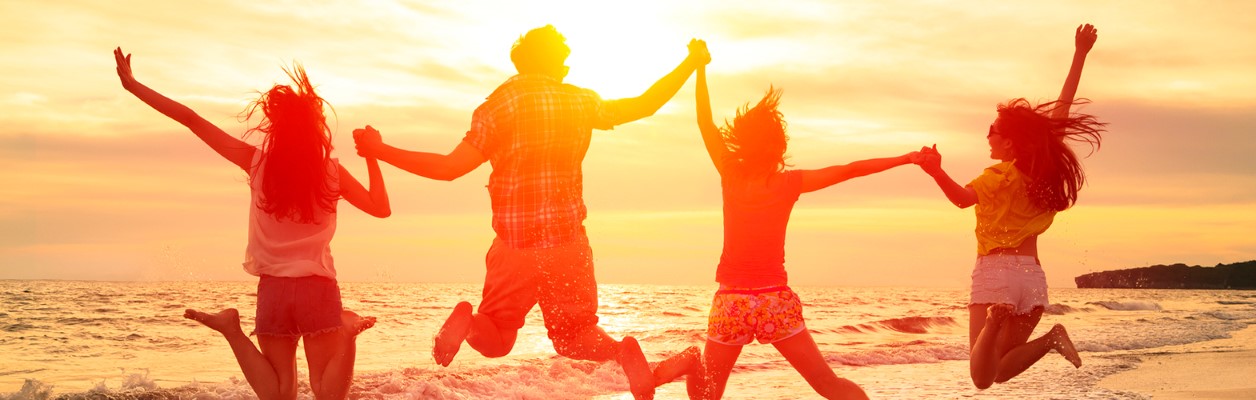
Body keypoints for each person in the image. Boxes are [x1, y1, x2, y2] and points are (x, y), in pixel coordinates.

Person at [352, 25, 710, 399]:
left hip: (514, 250)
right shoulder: (580, 101)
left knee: (497, 338)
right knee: (575, 337)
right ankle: (622, 352)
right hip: (567, 246)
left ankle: (470, 322)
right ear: (556, 63)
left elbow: (449, 168)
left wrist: (381, 149)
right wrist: (690, 62)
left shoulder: (497, 106)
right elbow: (645, 104)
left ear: (521, 61)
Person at [114, 47, 388, 400]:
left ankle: (232, 331)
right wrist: (374, 156)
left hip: (274, 289)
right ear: (315, 128)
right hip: (317, 287)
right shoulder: (332, 172)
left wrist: (134, 87)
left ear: (275, 126)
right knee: (325, 392)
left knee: (278, 394)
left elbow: (192, 119)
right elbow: (381, 208)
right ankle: (348, 337)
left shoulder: (257, 162)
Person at [680, 42, 924, 400]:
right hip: (774, 300)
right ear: (778, 145)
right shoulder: (789, 183)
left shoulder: (729, 173)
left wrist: (699, 67)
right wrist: (906, 158)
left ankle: (686, 362)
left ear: (741, 142)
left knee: (707, 394)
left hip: (732, 300)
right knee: (828, 385)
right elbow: (852, 170)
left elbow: (703, 121)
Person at [911, 24, 1105, 389]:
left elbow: (961, 200)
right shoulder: (1043, 173)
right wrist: (1080, 53)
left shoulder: (997, 177)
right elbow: (1063, 107)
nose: (988, 135)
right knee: (998, 372)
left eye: (993, 129)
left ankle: (994, 322)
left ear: (1012, 144)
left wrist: (936, 172)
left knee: (981, 377)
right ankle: (1051, 339)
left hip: (995, 272)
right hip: (1031, 277)